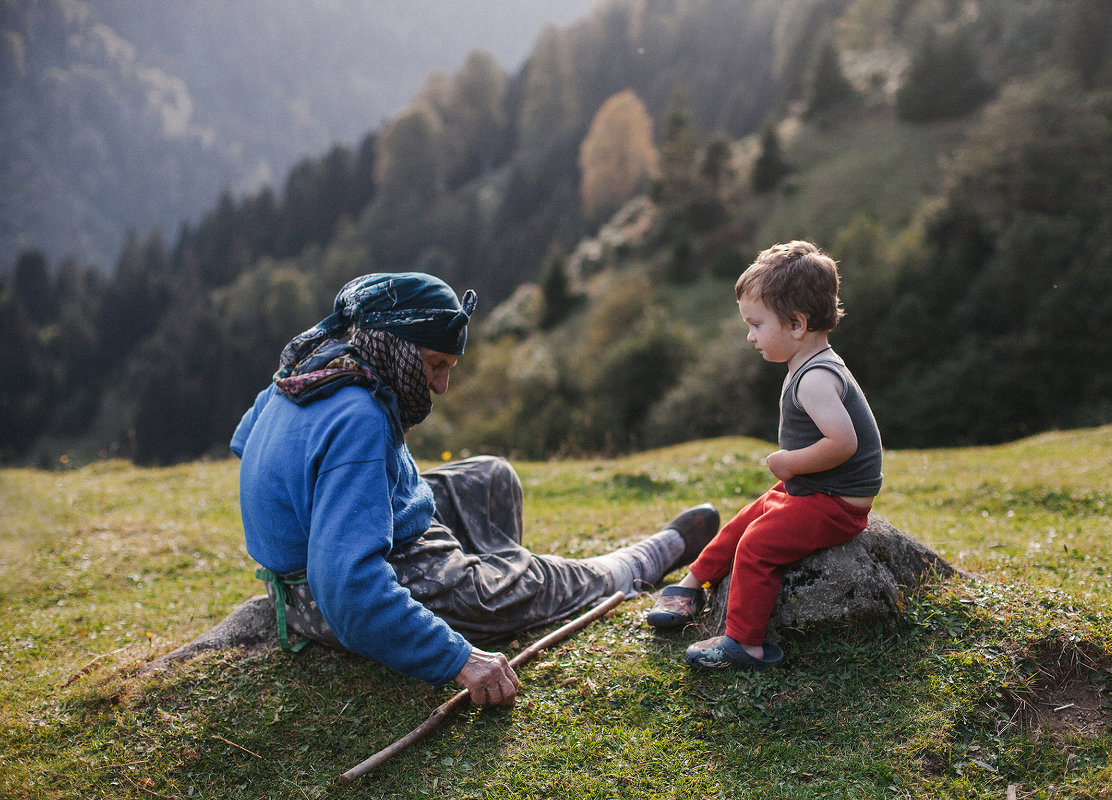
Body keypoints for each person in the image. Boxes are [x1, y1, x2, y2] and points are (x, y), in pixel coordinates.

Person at [230, 272, 718, 705]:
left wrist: (314, 502)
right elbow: (345, 585)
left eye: (449, 368)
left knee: (492, 477)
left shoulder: (308, 370)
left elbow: (245, 441)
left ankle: (494, 579)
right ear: (394, 346)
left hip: (374, 530)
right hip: (325, 593)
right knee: (532, 584)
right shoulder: (359, 416)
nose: (440, 386)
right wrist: (460, 660)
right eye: (434, 363)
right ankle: (629, 566)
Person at [646, 241, 883, 670]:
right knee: (749, 516)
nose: (750, 336)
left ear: (796, 323)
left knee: (757, 544)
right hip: (817, 491)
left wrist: (791, 463)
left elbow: (843, 443)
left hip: (837, 505)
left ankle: (745, 643)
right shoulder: (809, 361)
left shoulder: (815, 379)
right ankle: (693, 581)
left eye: (756, 324)